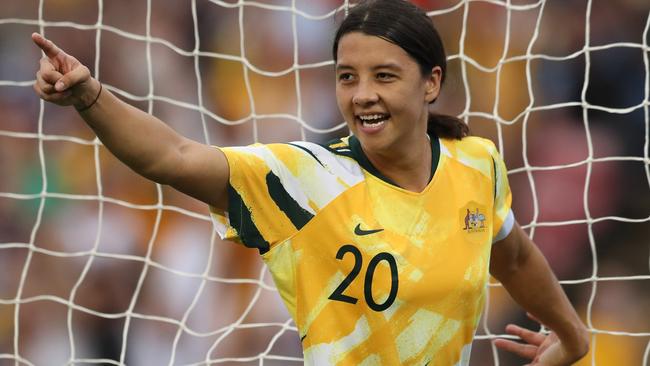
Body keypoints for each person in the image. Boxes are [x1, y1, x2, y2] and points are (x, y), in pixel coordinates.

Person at [31, 0, 589, 364]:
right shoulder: (304, 177)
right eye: (348, 77)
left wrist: (572, 334)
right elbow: (173, 156)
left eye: (384, 76)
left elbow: (512, 256)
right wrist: (89, 96)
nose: (362, 94)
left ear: (431, 83)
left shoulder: (477, 162)